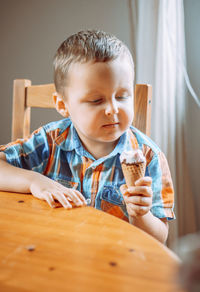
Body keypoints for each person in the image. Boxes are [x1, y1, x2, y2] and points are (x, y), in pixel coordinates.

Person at [0, 29, 175, 243]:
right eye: (96, 100)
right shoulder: (49, 142)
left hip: (116, 261)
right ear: (63, 105)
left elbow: (160, 240)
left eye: (121, 96)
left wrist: (141, 215)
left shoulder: (149, 157)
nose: (112, 109)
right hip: (55, 251)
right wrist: (34, 182)